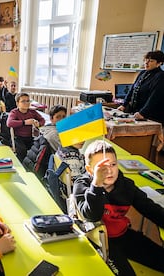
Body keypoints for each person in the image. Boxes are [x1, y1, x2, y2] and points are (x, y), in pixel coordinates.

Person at [73, 140, 164, 275]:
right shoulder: (82, 185)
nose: (109, 170)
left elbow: (149, 208)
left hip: (122, 235)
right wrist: (96, 185)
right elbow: (91, 215)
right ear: (90, 170)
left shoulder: (126, 185)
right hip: (99, 242)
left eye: (113, 164)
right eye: (101, 167)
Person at [117, 50, 164, 124]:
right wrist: (124, 105)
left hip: (150, 115)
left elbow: (154, 97)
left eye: (151, 61)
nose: (146, 63)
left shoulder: (160, 76)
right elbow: (132, 89)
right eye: (145, 60)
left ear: (159, 63)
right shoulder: (143, 73)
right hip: (136, 112)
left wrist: (143, 113)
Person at [6, 92, 45, 162]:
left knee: (38, 149)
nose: (26, 103)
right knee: (22, 151)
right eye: (23, 101)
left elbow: (42, 120)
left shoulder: (32, 112)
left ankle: (31, 165)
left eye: (28, 101)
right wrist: (24, 122)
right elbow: (9, 123)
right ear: (17, 103)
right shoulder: (14, 112)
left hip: (29, 137)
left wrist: (38, 123)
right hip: (17, 138)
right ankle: (21, 166)